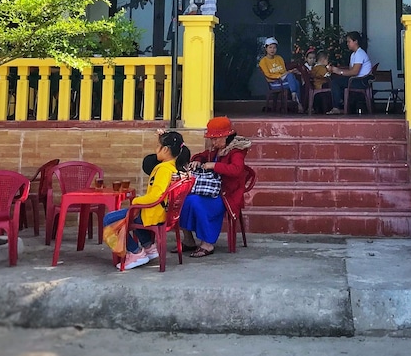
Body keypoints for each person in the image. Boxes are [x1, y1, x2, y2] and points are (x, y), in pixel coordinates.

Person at [104, 130, 191, 271]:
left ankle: (135, 253)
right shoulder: (174, 167)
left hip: (153, 214)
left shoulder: (164, 169)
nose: (155, 150)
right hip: (163, 213)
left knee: (109, 220)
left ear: (165, 149)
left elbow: (156, 196)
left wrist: (136, 201)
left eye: (158, 146)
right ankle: (149, 248)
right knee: (132, 213)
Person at [180, 116, 252, 257]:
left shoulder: (236, 151)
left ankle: (207, 244)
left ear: (226, 136)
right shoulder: (216, 149)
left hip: (227, 195)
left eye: (216, 139)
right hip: (212, 191)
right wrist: (197, 160)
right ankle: (188, 240)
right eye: (212, 139)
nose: (213, 142)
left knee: (196, 203)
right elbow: (202, 155)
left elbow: (236, 170)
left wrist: (214, 165)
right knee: (182, 200)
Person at [327, 30, 373, 115]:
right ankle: (342, 105)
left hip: (361, 81)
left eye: (349, 41)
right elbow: (350, 71)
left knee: (335, 83)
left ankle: (337, 107)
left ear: (355, 41)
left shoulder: (360, 54)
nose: (347, 44)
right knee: (336, 81)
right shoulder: (353, 54)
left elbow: (354, 72)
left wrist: (338, 71)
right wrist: (337, 71)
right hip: (355, 80)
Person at [258, 37, 304, 112]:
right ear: (266, 49)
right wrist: (280, 76)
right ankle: (297, 102)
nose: (272, 50)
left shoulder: (279, 58)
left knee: (295, 80)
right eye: (270, 47)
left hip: (283, 80)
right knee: (295, 82)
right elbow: (268, 75)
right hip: (273, 83)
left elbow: (283, 71)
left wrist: (288, 73)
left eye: (274, 48)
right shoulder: (263, 61)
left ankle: (294, 95)